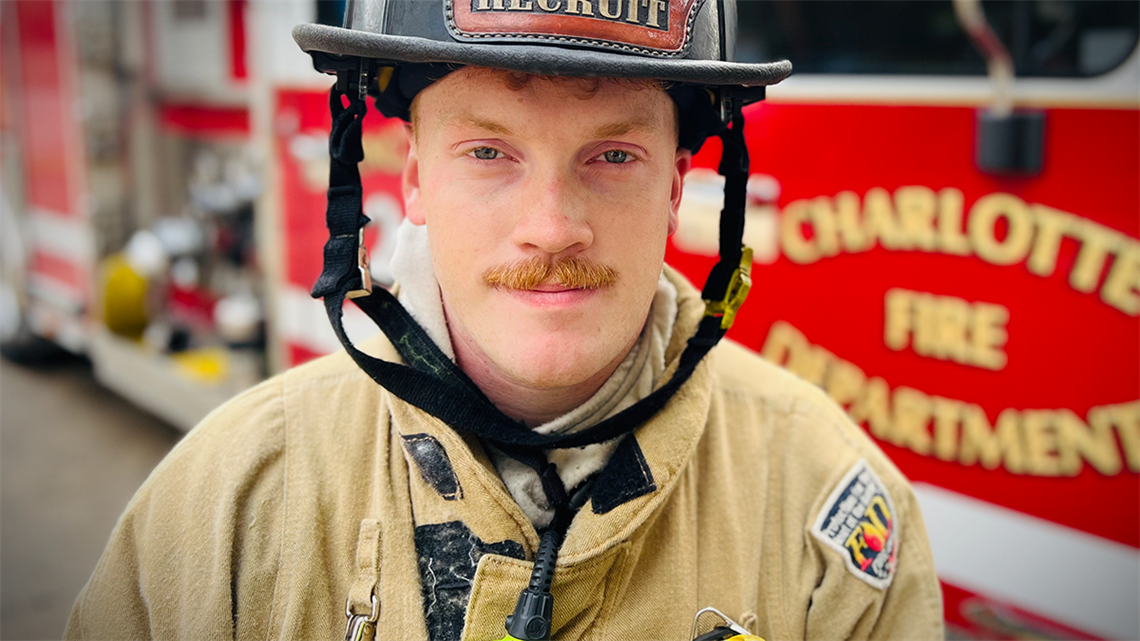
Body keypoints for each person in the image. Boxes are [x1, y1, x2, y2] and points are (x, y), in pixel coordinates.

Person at [66, 1, 944, 639]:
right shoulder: (226, 504)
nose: (553, 226)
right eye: (489, 151)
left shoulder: (824, 513)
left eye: (612, 154)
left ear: (677, 186)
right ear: (413, 179)